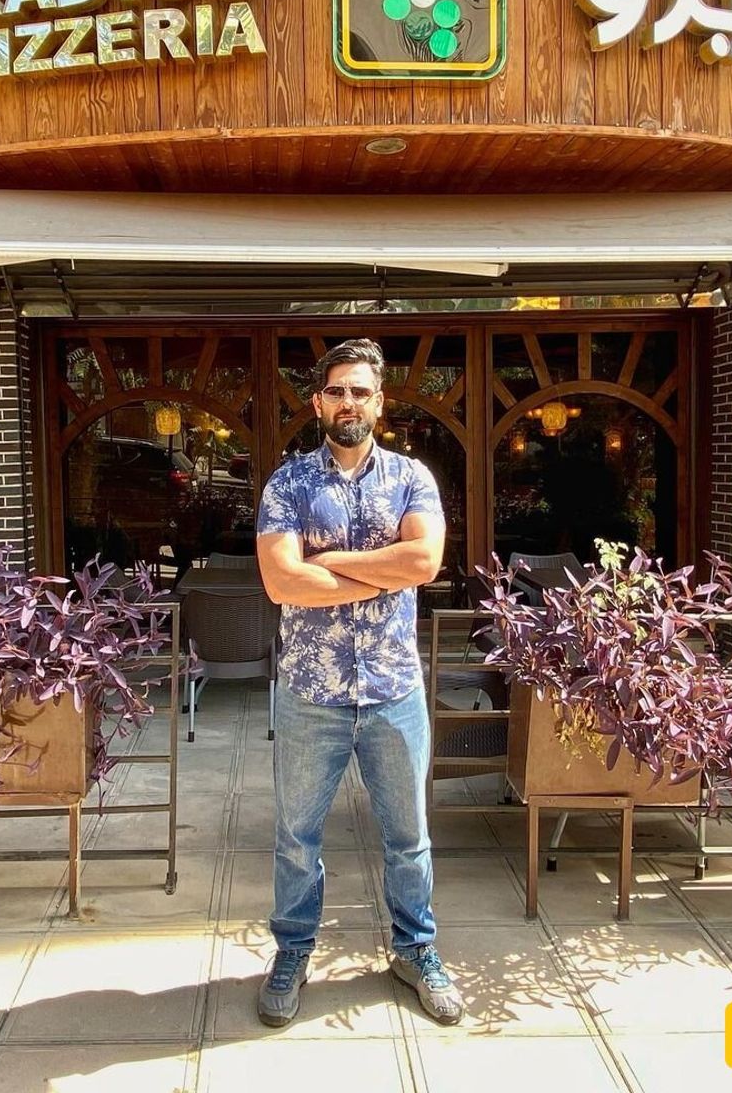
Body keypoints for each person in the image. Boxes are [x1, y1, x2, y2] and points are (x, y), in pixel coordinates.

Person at [255, 337, 464, 1028]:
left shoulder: (411, 478)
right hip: (310, 694)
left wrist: (331, 562)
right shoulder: (287, 484)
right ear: (318, 402)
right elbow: (281, 581)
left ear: (380, 403)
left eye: (361, 391)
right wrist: (380, 570)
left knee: (409, 837)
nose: (349, 402)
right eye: (337, 390)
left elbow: (424, 562)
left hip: (393, 691)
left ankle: (416, 950)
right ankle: (293, 952)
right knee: (296, 838)